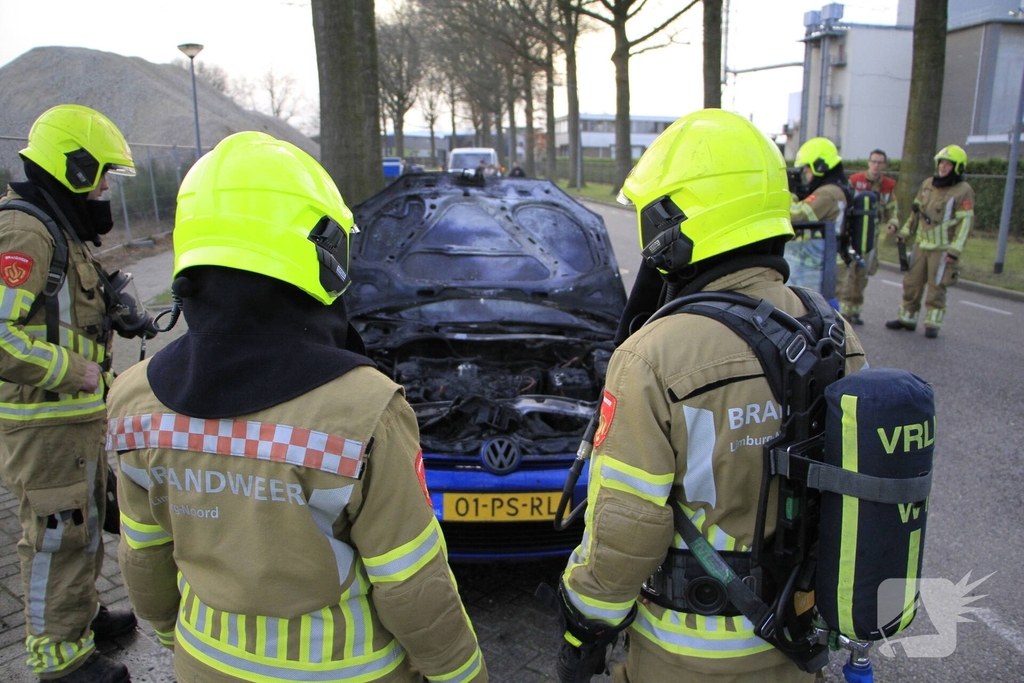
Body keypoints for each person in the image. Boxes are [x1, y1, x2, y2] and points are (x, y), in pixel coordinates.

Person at [107, 131, 487, 683]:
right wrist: (462, 674)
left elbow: (143, 554)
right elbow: (410, 582)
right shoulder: (365, 408)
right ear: (324, 252)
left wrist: (172, 634)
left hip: (204, 662)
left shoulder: (134, 397)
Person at [554, 109, 866, 683]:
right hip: (800, 645)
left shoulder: (653, 354)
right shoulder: (830, 331)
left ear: (678, 220)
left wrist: (584, 625)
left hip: (687, 657)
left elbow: (627, 528)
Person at [0, 104, 146, 683]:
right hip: (43, 423)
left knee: (81, 526)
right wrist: (75, 371)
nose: (106, 188)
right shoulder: (23, 231)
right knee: (55, 536)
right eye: (102, 174)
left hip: (76, 423)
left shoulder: (58, 229)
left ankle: (79, 617)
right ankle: (57, 658)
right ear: (75, 166)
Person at [886, 144, 975, 338]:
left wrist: (955, 251)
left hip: (942, 249)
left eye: (948, 164)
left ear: (957, 168)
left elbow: (965, 223)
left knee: (937, 287)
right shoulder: (928, 184)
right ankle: (907, 319)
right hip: (921, 244)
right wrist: (905, 233)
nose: (943, 167)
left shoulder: (963, 190)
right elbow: (915, 213)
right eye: (941, 163)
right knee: (911, 282)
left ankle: (932, 324)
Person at [788, 137, 855, 303]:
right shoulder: (835, 187)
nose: (805, 174)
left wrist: (789, 194)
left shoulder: (828, 193)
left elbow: (796, 216)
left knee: (818, 309)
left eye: (807, 169)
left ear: (819, 166)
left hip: (821, 263)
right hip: (823, 259)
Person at [840, 149, 899, 324]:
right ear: (868, 162)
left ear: (884, 165)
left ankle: (855, 310)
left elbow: (892, 209)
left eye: (880, 162)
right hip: (852, 234)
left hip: (871, 236)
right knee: (849, 272)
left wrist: (893, 223)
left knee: (863, 273)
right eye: (874, 161)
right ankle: (843, 311)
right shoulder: (855, 181)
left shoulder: (887, 186)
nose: (876, 165)